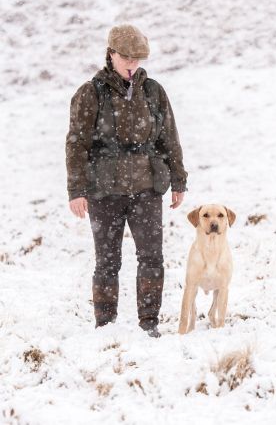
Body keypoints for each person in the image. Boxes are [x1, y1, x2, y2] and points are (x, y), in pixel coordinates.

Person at [65, 24, 188, 337]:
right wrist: (76, 190)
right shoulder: (90, 92)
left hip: (147, 188)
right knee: (107, 262)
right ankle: (105, 326)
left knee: (152, 258)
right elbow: (77, 143)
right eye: (126, 58)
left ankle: (149, 324)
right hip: (102, 191)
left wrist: (178, 179)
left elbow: (168, 137)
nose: (132, 64)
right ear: (111, 54)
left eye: (137, 58)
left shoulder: (154, 91)